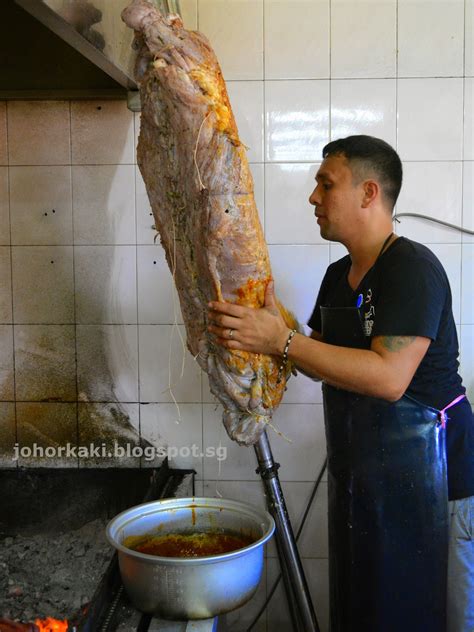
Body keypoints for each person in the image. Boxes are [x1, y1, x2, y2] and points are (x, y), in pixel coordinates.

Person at [207, 135, 474, 632]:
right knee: (366, 611)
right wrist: (274, 328)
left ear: (369, 193)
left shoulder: (412, 269)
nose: (314, 197)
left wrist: (282, 342)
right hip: (364, 484)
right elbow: (319, 359)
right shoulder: (338, 276)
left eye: (325, 184)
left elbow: (390, 379)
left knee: (434, 616)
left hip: (440, 487)